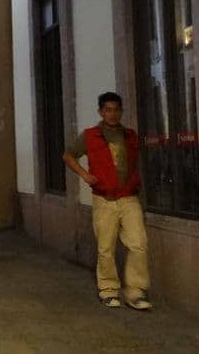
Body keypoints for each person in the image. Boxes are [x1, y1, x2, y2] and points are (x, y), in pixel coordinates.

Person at [62, 92, 151, 310]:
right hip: (104, 198)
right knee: (106, 247)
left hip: (129, 197)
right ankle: (109, 289)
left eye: (116, 109)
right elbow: (69, 155)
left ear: (121, 111)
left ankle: (135, 291)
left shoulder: (130, 136)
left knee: (138, 243)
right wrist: (84, 175)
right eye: (108, 110)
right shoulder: (91, 135)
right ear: (101, 112)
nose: (112, 114)